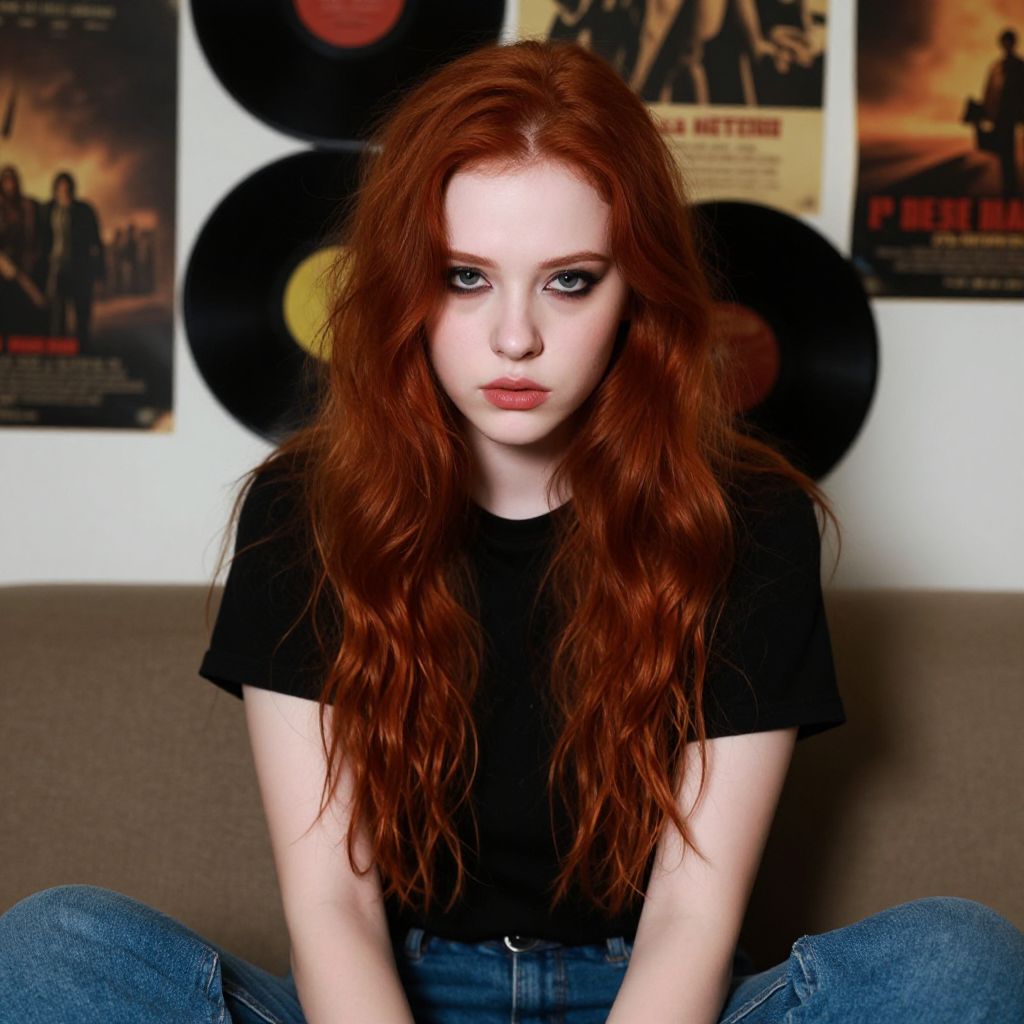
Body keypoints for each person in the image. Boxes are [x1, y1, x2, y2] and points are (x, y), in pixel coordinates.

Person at [1, 38, 1022, 1024]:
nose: (515, 335)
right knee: (54, 948)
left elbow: (690, 918)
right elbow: (331, 909)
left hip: (649, 992)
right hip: (384, 993)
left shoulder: (750, 522)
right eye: (465, 276)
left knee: (956, 957)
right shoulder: (304, 508)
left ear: (638, 292)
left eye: (569, 280)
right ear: (408, 283)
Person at [39, 170, 105, 351]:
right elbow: (42, 242)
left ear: (72, 190)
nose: (64, 193)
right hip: (57, 270)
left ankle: (83, 352)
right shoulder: (48, 210)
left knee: (82, 316)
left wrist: (100, 275)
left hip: (80, 270)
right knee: (58, 317)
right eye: (60, 189)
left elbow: (97, 244)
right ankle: (61, 354)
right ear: (55, 190)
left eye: (67, 189)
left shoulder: (84, 210)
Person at [980, 28, 1024, 198]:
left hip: (1010, 115)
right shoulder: (997, 66)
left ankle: (1010, 188)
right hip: (1000, 115)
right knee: (1004, 152)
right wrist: (986, 111)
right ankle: (1009, 187)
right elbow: (989, 90)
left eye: (1009, 42)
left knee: (1007, 152)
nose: (1007, 45)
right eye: (1005, 42)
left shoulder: (1019, 66)